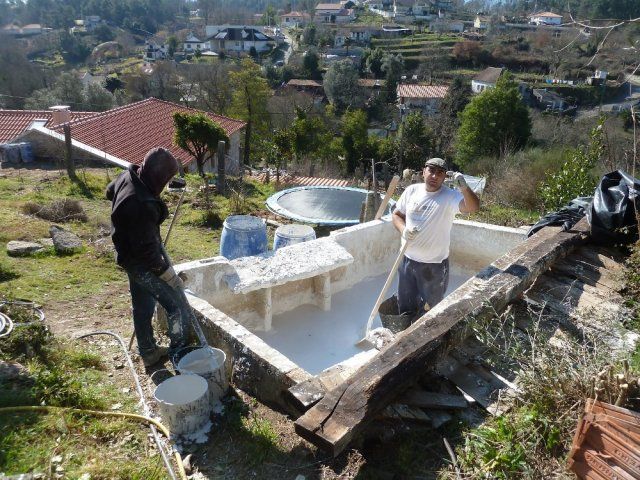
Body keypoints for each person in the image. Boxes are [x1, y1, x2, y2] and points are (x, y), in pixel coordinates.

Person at [106, 147, 190, 367]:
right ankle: (179, 352)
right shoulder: (141, 205)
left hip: (128, 255)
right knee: (175, 305)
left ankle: (148, 351)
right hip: (140, 262)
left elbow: (109, 191)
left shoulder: (129, 175)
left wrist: (128, 222)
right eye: (166, 179)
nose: (166, 184)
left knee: (142, 306)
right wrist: (170, 277)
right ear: (158, 177)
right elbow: (149, 255)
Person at [392, 157, 480, 317]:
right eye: (431, 171)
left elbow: (473, 206)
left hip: (434, 266)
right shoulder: (411, 191)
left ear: (445, 177)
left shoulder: (450, 196)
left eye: (440, 173)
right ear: (423, 171)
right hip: (407, 260)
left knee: (432, 309)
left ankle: (428, 339)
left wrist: (464, 188)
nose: (434, 176)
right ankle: (405, 335)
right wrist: (403, 230)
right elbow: (397, 214)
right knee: (406, 305)